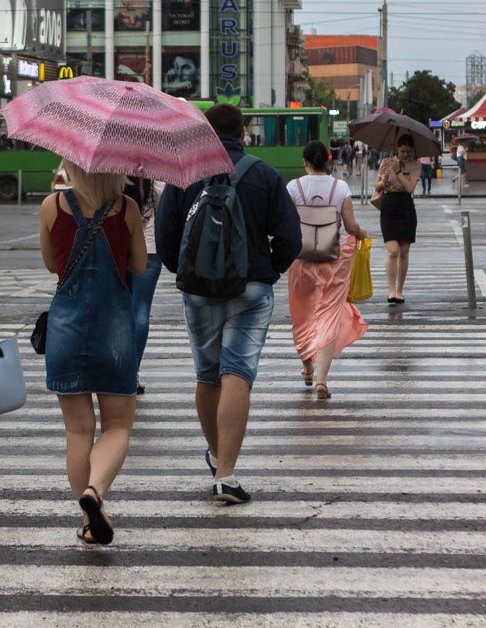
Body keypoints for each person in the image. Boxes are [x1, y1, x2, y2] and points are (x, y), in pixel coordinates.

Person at [157, 104, 302, 505]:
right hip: (251, 289)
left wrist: (185, 273)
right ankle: (226, 474)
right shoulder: (265, 175)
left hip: (198, 291)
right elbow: (291, 238)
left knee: (207, 375)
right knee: (236, 372)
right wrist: (267, 270)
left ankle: (219, 455)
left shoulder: (184, 175)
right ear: (243, 131)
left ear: (205, 131)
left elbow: (166, 235)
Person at [40, 162, 145, 544]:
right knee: (118, 426)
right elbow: (139, 264)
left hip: (65, 327)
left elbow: (53, 263)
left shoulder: (52, 206)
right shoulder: (127, 208)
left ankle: (87, 517)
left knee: (77, 429)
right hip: (114, 328)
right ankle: (95, 492)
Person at [286, 141, 369, 400]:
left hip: (301, 262)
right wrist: (361, 233)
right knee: (328, 316)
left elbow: (285, 224)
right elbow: (350, 225)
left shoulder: (293, 187)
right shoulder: (340, 187)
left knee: (303, 316)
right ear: (329, 161)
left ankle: (307, 366)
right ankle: (322, 380)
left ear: (305, 162)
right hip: (332, 261)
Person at [126, 177, 163, 396]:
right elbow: (165, 212)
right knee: (140, 310)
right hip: (149, 249)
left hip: (120, 249)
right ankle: (132, 373)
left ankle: (117, 369)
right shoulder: (154, 178)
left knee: (120, 310)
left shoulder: (115, 175)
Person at [375, 134, 419, 305]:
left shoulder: (415, 165)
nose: (405, 155)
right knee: (393, 250)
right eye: (402, 151)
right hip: (389, 205)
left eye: (408, 152)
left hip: (406, 206)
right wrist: (385, 178)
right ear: (397, 149)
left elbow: (410, 188)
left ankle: (399, 290)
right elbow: (377, 186)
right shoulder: (386, 162)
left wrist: (399, 172)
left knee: (404, 251)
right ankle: (390, 289)